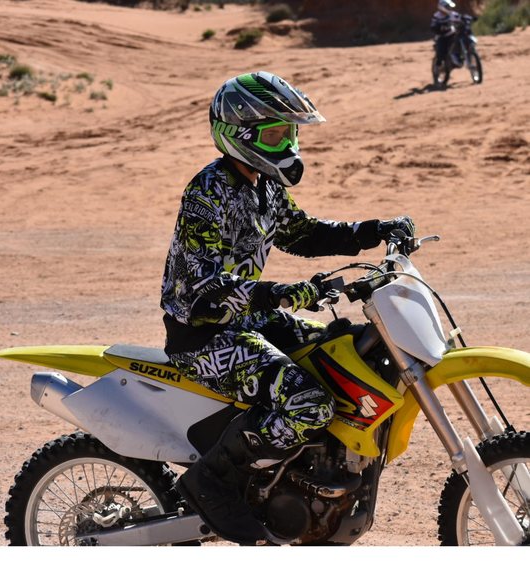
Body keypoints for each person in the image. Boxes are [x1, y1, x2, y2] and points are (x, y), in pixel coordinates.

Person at [159, 71, 414, 545]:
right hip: (204, 334)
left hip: (250, 320)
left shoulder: (264, 185)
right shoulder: (207, 192)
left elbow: (305, 233)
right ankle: (212, 482)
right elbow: (202, 284)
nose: (289, 144)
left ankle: (310, 475)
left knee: (341, 349)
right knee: (308, 403)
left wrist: (374, 230)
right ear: (239, 133)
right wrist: (277, 292)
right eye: (277, 134)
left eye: (290, 133)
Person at [431, 0, 463, 66]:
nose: (449, 9)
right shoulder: (437, 16)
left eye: (449, 7)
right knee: (441, 50)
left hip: (452, 34)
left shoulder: (453, 14)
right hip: (442, 36)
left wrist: (466, 19)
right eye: (447, 7)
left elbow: (460, 18)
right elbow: (433, 25)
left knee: (458, 43)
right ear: (442, 7)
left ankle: (457, 58)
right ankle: (439, 63)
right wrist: (440, 25)